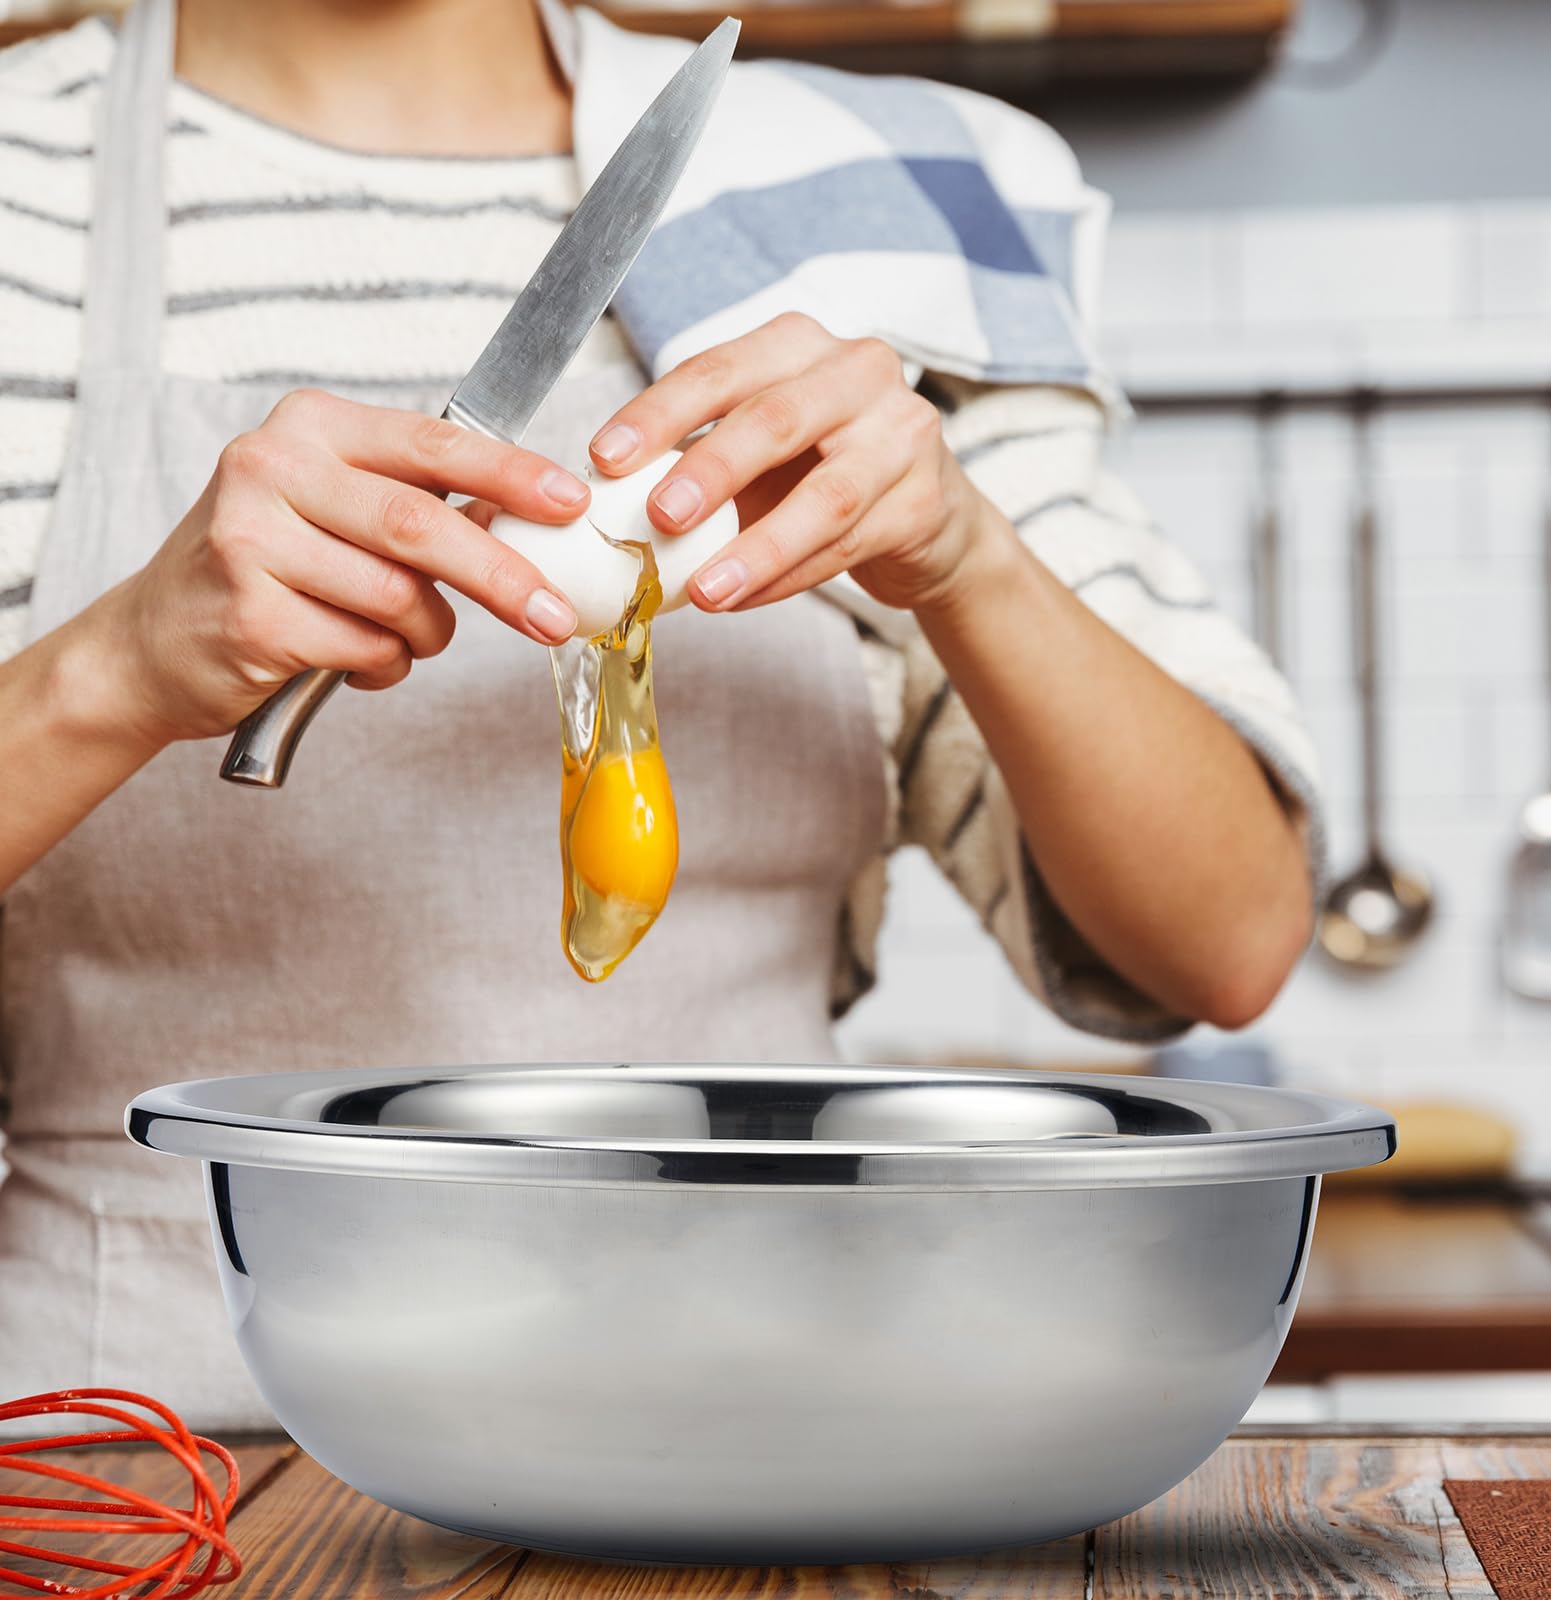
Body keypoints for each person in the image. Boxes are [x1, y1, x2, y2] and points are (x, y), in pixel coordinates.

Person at [0, 0, 1320, 1428]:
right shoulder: (27, 188)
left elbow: (1228, 943)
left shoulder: (852, 191)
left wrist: (967, 557)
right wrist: (107, 674)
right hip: (138, 1465)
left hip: (771, 1427)